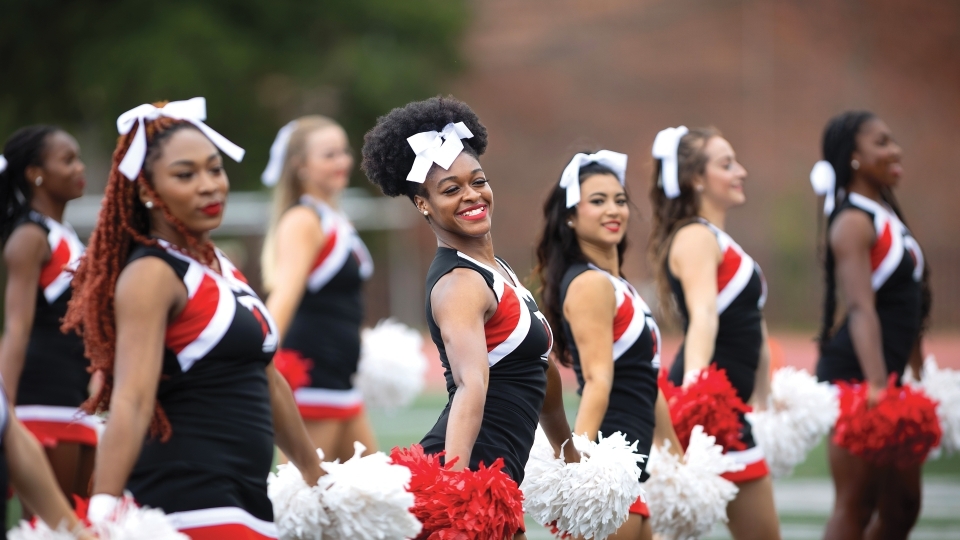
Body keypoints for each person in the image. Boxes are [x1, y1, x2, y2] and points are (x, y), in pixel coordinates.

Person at [62, 98, 322, 538]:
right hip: (189, 501)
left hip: (247, 500)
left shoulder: (218, 265)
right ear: (146, 189)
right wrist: (103, 512)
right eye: (185, 175)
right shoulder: (151, 273)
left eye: (214, 169)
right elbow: (131, 400)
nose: (209, 185)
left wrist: (320, 481)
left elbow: (268, 379)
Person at [361, 96, 577, 540]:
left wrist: (570, 459)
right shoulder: (460, 284)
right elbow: (471, 385)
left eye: (477, 181)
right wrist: (453, 491)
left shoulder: (499, 273)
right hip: (470, 480)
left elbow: (543, 378)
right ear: (423, 204)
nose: (471, 196)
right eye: (451, 189)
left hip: (497, 486)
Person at [535, 151, 682, 540]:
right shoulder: (590, 284)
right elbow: (599, 381)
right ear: (569, 216)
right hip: (607, 468)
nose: (613, 209)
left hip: (633, 467)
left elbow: (645, 381)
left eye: (619, 199)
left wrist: (675, 456)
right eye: (597, 201)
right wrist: (579, 471)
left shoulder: (619, 285)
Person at [648, 126, 780, 540]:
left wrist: (764, 394)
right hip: (707, 406)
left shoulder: (715, 236)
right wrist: (695, 395)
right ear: (697, 179)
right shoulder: (694, 236)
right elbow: (704, 316)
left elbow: (751, 323)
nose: (740, 171)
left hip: (730, 407)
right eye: (726, 164)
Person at [812, 111, 928, 540]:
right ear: (854, 157)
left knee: (903, 506)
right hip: (859, 379)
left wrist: (917, 373)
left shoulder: (884, 214)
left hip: (890, 378)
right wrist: (878, 386)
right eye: (881, 142)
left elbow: (909, 304)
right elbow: (861, 308)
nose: (894, 150)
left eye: (892, 140)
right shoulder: (853, 221)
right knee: (857, 504)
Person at [260, 116, 376, 461]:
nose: (342, 162)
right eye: (329, 155)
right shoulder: (303, 221)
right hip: (314, 377)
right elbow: (283, 300)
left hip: (339, 375)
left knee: (371, 501)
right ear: (300, 167)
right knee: (306, 499)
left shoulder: (333, 217)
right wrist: (254, 359)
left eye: (343, 152)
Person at [0, 126, 97, 500]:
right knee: (50, 526)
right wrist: (5, 411)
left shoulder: (65, 233)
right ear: (35, 173)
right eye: (67, 159)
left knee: (80, 516)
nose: (79, 167)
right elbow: (16, 327)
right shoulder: (30, 236)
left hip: (75, 392)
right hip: (42, 395)